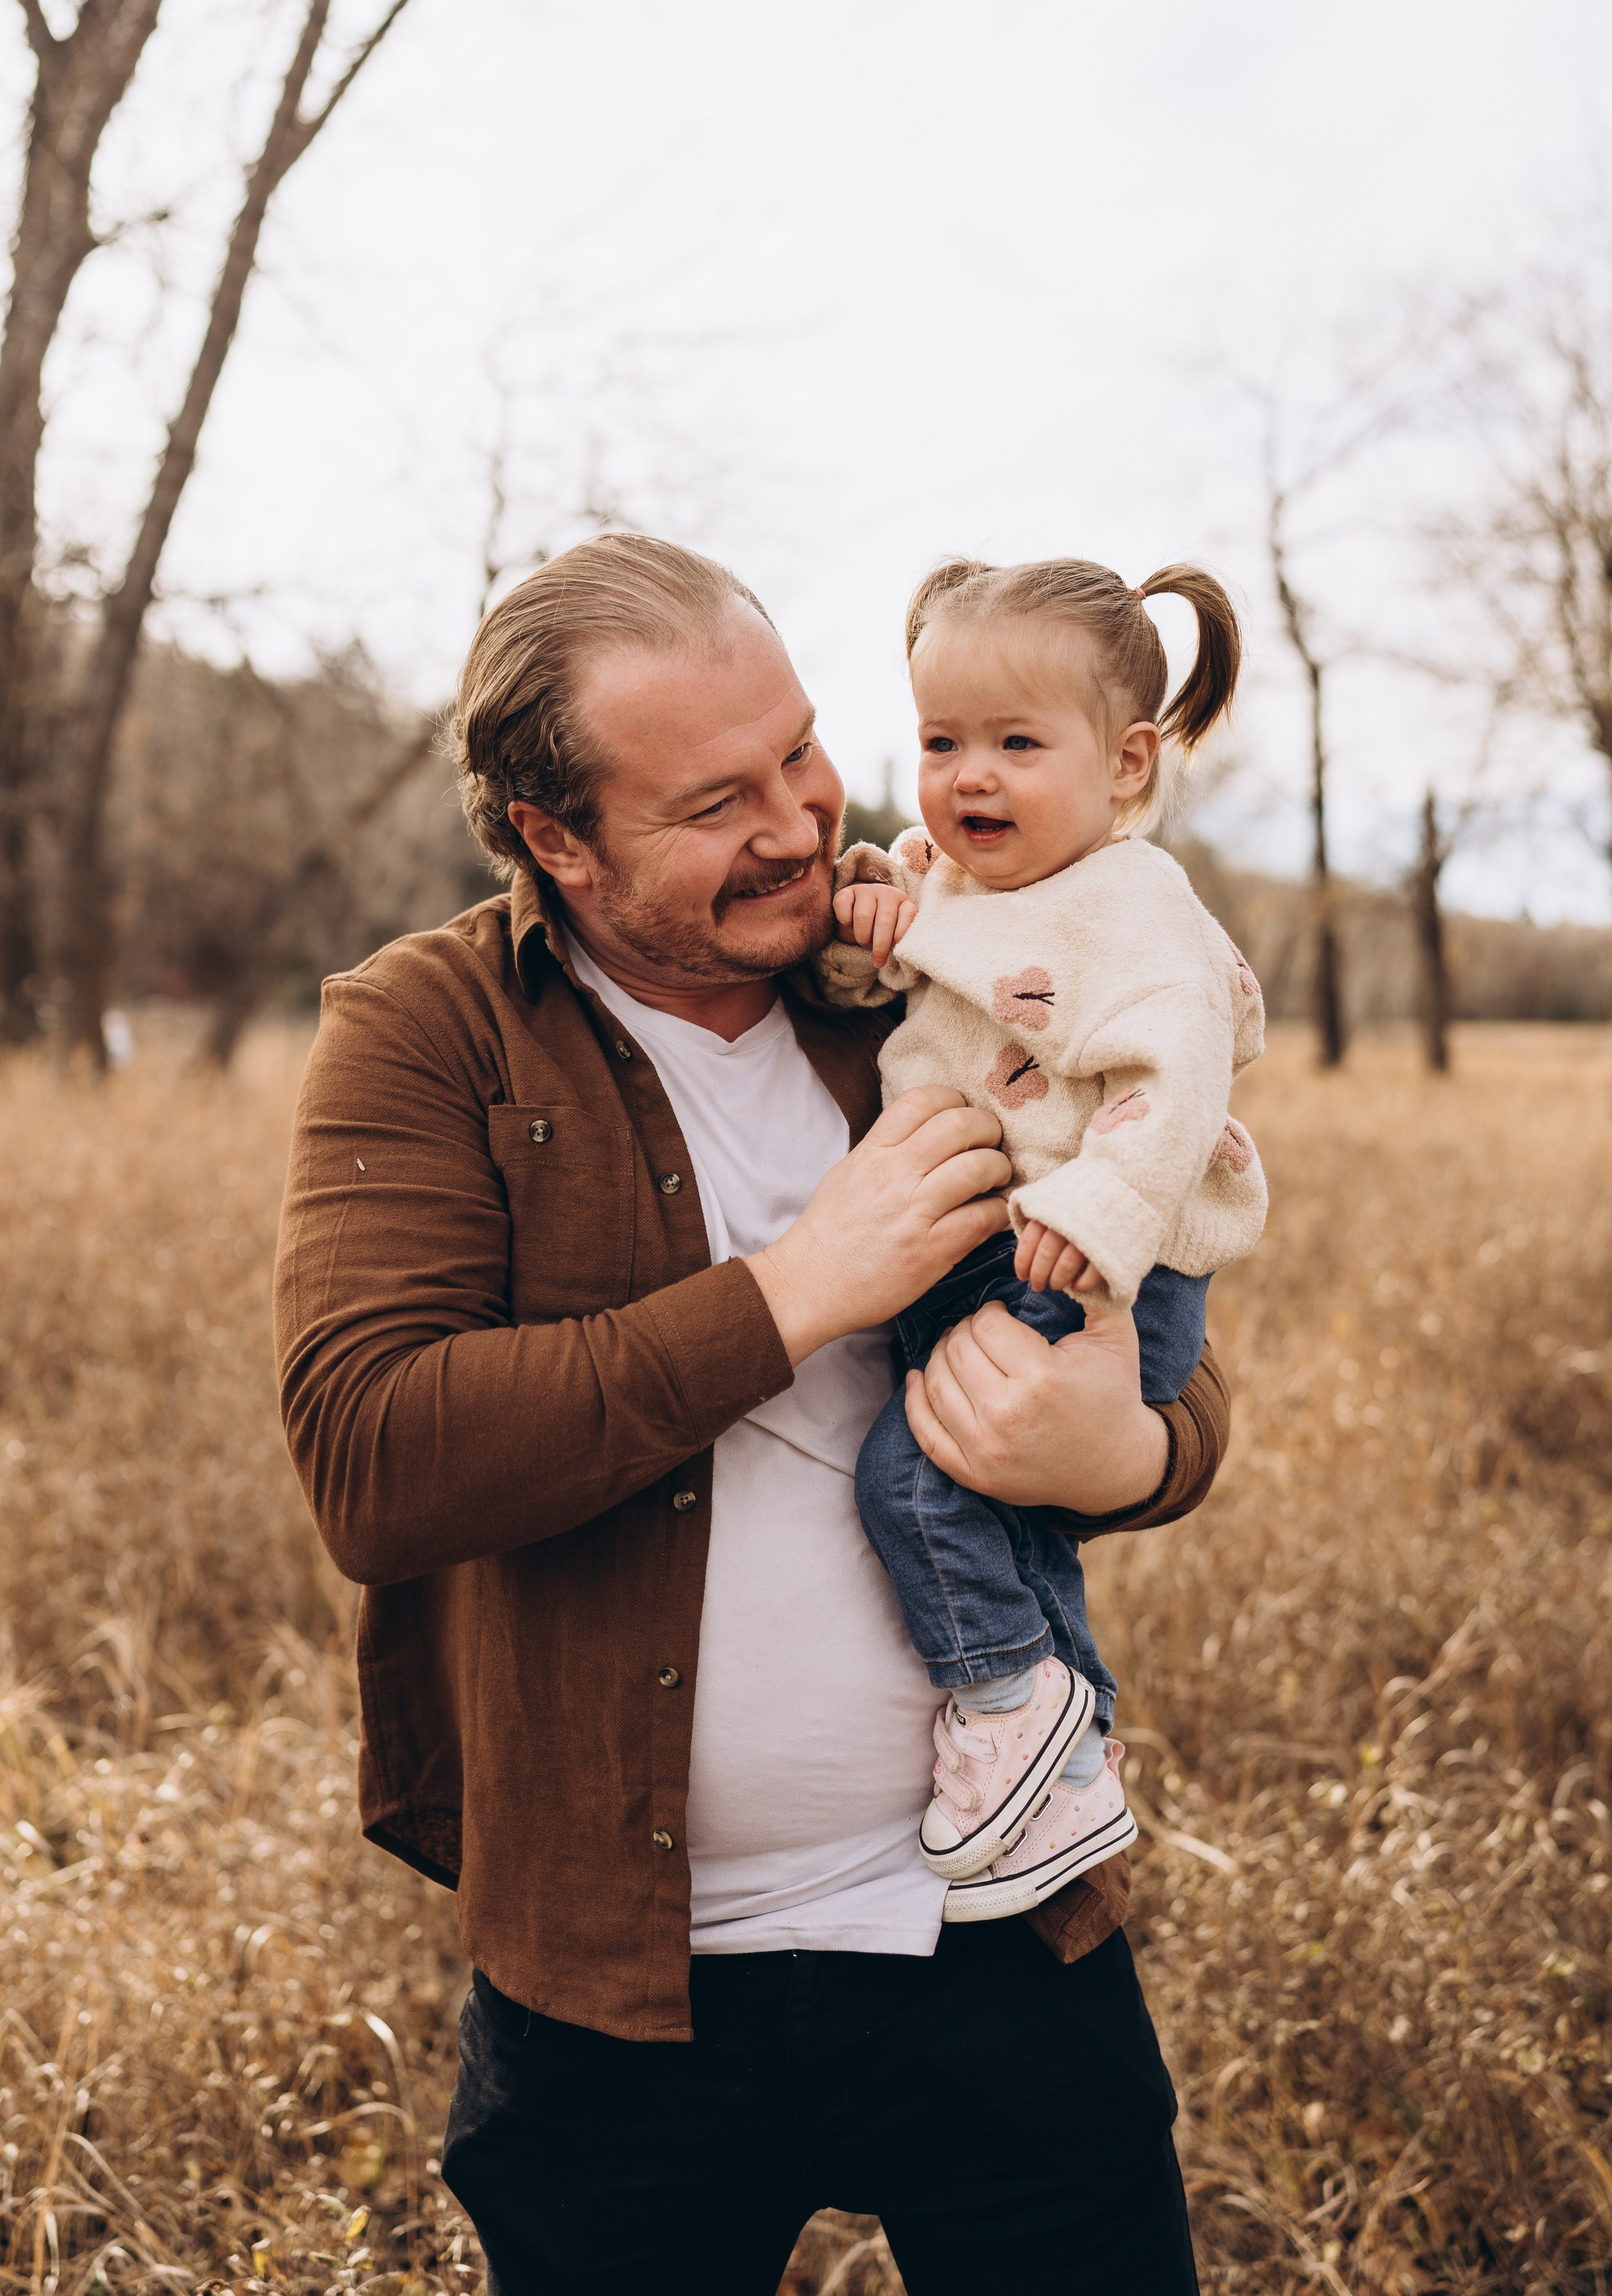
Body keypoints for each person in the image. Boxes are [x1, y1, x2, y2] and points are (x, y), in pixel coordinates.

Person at [273, 532, 1231, 2295]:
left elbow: (1168, 1356)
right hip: (622, 1991)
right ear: (560, 838)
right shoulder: (435, 1034)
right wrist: (803, 1288)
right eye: (717, 799)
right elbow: (373, 1451)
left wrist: (1134, 1454)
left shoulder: (932, 978)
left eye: (800, 749)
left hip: (998, 1930)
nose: (800, 819)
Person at [819, 556, 1265, 1926]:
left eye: (1018, 744)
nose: (970, 778)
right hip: (1001, 1252)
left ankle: (1007, 1707)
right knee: (1005, 1525)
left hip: (1086, 1256)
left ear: (1123, 764)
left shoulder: (1131, 907)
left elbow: (1175, 1074)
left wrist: (1097, 1215)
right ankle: (1063, 1786)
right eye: (942, 741)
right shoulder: (952, 877)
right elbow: (882, 963)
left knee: (917, 1478)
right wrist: (862, 914)